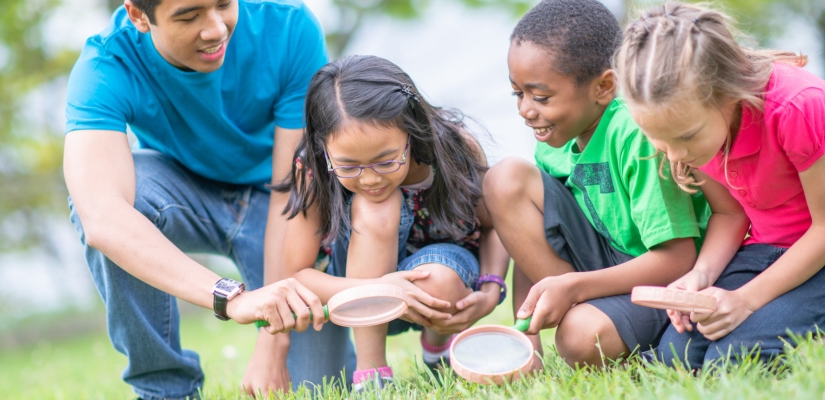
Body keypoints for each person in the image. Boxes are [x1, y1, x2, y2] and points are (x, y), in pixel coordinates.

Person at [62, 0, 348, 397]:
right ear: (139, 15)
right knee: (111, 199)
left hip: (277, 204)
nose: (215, 29)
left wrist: (272, 339)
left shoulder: (287, 26)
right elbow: (102, 217)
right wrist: (229, 298)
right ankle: (165, 389)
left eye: (223, 5)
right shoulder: (106, 64)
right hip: (185, 192)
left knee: (323, 384)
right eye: (189, 15)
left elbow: (293, 190)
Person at [615, 2, 825, 369]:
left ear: (729, 94)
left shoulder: (800, 107)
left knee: (734, 360)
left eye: (686, 137)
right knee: (675, 359)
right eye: (658, 138)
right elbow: (729, 212)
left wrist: (747, 300)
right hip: (765, 248)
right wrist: (699, 276)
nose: (674, 155)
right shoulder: (684, 127)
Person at [482, 0, 710, 369]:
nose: (525, 109)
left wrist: (575, 287)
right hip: (597, 264)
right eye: (517, 94)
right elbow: (526, 242)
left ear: (604, 86)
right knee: (504, 179)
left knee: (578, 338)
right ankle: (583, 312)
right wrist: (527, 340)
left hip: (661, 278)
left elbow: (678, 258)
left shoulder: (635, 134)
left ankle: (612, 325)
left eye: (540, 97)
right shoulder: (555, 143)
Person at [273, 54, 510, 390]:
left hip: (439, 282)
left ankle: (437, 350)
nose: (369, 179)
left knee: (437, 277)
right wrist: (378, 289)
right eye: (348, 166)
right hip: (351, 292)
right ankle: (370, 376)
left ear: (412, 132)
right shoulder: (311, 168)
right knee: (376, 206)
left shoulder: (455, 150)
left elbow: (493, 225)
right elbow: (296, 275)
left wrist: (490, 288)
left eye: (385, 161)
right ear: (324, 147)